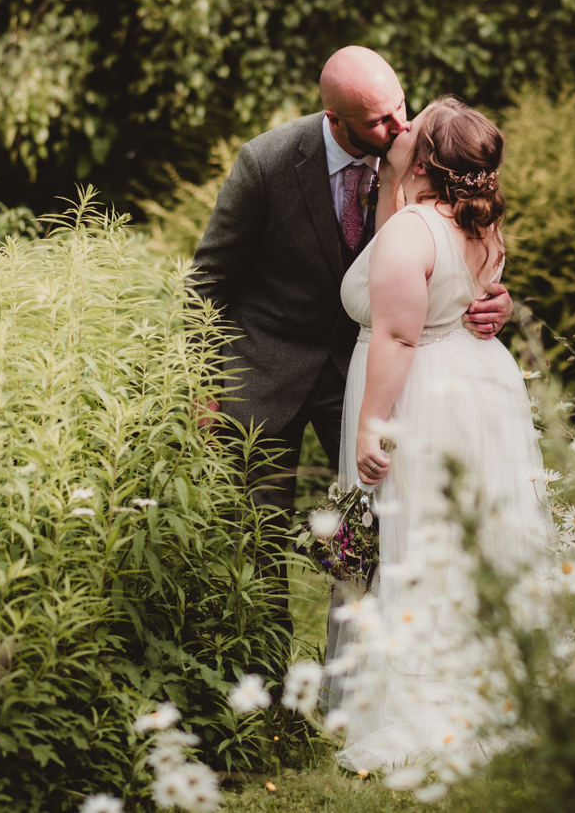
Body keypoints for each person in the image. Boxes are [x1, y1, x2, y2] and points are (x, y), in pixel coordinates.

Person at [189, 48, 513, 638]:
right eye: (379, 122)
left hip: (374, 376)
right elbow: (207, 279)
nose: (399, 129)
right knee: (256, 537)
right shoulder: (267, 162)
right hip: (264, 370)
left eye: (401, 109)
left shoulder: (424, 149)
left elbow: (459, 241)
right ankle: (267, 696)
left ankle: (384, 666)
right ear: (334, 118)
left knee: (388, 526)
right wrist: (199, 382)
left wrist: (494, 298)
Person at [329, 95, 550, 774]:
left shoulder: (409, 229)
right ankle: (491, 688)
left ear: (424, 158)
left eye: (411, 131)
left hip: (416, 391)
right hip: (477, 382)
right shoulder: (480, 225)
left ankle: (420, 708)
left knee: (414, 541)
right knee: (465, 539)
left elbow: (398, 333)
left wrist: (373, 426)